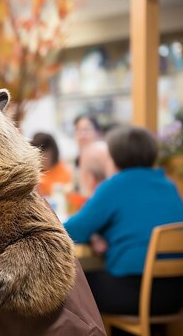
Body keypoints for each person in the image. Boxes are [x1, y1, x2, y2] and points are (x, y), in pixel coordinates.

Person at [64, 126, 183, 319]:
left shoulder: (115, 185)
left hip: (134, 294)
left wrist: (92, 233)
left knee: (75, 286)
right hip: (176, 295)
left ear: (114, 158)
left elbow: (71, 231)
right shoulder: (169, 185)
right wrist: (98, 233)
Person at [30, 132, 72, 197]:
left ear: (54, 153)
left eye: (47, 155)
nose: (44, 159)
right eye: (41, 155)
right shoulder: (32, 172)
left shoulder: (63, 170)